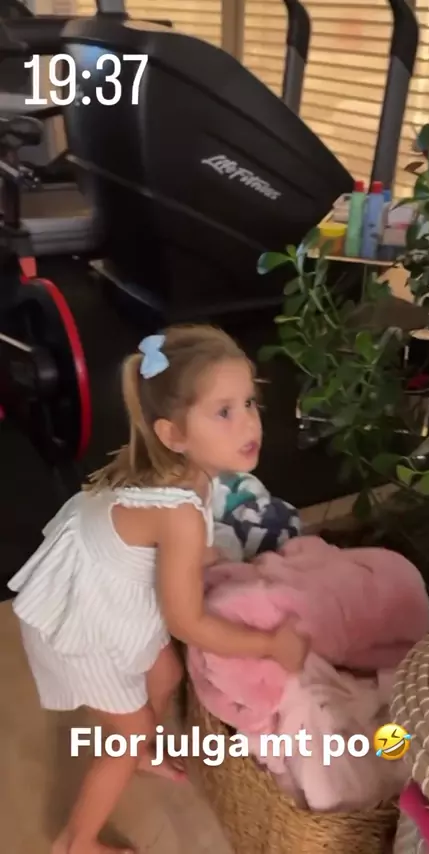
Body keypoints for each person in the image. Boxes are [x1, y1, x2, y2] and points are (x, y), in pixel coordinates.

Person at [8, 324, 309, 854]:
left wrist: (204, 558)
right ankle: (76, 841)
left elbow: (165, 544)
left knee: (164, 672)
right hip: (81, 622)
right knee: (127, 733)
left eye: (249, 402)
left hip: (103, 593)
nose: (249, 422)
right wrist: (269, 644)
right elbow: (187, 623)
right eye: (223, 411)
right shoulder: (179, 511)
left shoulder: (185, 474)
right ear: (174, 434)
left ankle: (139, 748)